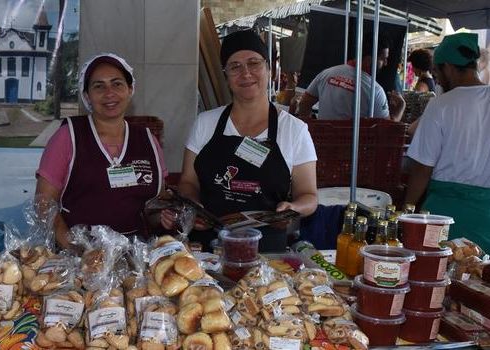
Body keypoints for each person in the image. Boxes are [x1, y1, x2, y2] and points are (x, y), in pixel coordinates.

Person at [163, 30, 318, 251]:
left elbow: (310, 196)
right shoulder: (205, 123)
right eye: (235, 66)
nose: (245, 73)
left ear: (269, 69)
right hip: (208, 248)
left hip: (266, 251)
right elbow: (188, 182)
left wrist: (293, 207)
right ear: (226, 76)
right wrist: (193, 207)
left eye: (254, 63)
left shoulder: (294, 130)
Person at [35, 53, 167, 250]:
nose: (109, 93)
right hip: (80, 256)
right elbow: (44, 203)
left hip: (135, 256)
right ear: (87, 95)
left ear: (130, 90)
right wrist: (74, 248)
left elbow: (156, 207)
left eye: (117, 84)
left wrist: (166, 218)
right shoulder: (68, 136)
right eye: (99, 86)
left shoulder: (147, 140)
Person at [404, 33, 490, 251]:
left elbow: (422, 168)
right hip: (486, 216)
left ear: (449, 68)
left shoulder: (440, 106)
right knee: (480, 278)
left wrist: (407, 210)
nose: (438, 80)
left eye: (437, 72)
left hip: (446, 212)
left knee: (441, 273)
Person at [297, 33, 405, 121]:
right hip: (354, 146)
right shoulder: (375, 91)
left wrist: (311, 129)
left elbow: (304, 104)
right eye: (383, 59)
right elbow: (386, 130)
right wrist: (400, 108)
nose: (385, 63)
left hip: (321, 144)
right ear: (369, 59)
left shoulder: (326, 74)